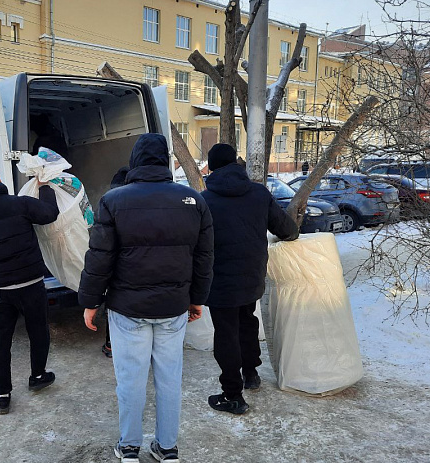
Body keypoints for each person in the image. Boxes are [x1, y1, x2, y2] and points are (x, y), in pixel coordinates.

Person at [79, 133, 214, 463]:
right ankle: (167, 449)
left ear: (135, 161)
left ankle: (129, 448)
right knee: (170, 380)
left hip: (127, 310)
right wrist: (197, 298)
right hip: (173, 308)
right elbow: (204, 256)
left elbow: (100, 257)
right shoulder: (194, 200)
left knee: (130, 380)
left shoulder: (113, 200)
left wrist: (90, 301)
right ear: (166, 162)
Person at [201, 143, 299, 415]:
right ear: (236, 163)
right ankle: (251, 373)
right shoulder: (258, 193)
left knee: (226, 333)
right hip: (252, 276)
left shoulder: (205, 200)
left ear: (210, 168)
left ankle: (233, 395)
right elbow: (288, 229)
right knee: (246, 321)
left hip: (219, 280)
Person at [0, 163, 60, 415]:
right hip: (30, 282)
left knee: (0, 341)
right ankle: (38, 376)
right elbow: (50, 214)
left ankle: (3, 395)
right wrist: (45, 187)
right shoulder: (18, 203)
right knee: (38, 331)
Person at [100, 165, 130, 359]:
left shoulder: (108, 202)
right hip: (133, 266)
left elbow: (102, 245)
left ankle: (111, 345)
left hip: (114, 267)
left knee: (113, 305)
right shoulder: (135, 202)